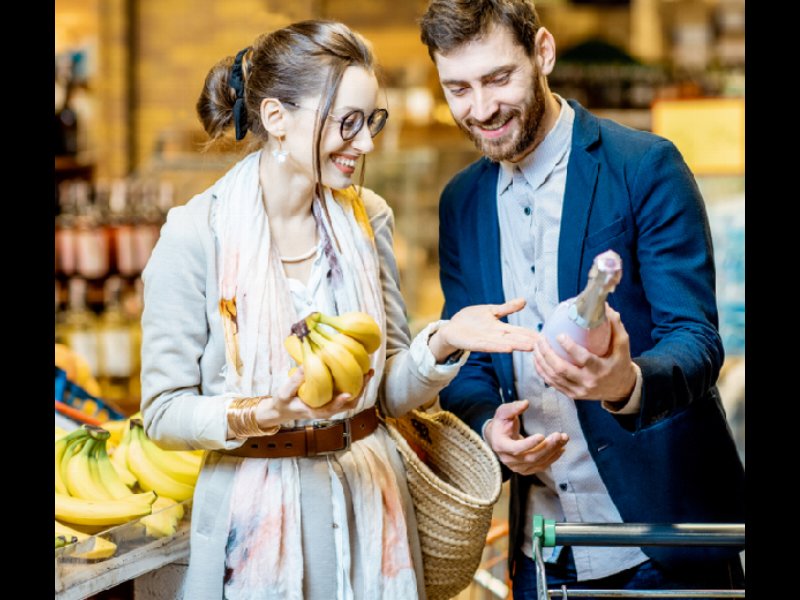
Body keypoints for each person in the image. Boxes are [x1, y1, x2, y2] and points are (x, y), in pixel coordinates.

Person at [140, 19, 537, 600]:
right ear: (276, 119)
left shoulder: (366, 217)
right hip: (252, 524)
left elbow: (392, 395)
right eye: (346, 123)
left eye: (370, 122)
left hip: (373, 507)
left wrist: (444, 341)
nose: (366, 144)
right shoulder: (197, 235)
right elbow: (163, 411)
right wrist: (257, 411)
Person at [419, 1, 746, 597]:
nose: (482, 108)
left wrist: (625, 383)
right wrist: (490, 427)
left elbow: (697, 342)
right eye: (458, 88)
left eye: (498, 78)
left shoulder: (646, 167)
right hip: (542, 552)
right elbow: (470, 369)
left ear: (542, 52)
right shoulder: (459, 203)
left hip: (661, 541)